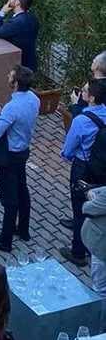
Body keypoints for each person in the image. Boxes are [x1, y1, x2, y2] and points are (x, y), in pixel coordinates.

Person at [0, 65, 40, 253]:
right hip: (23, 151)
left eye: (11, 76)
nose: (8, 76)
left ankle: (4, 240)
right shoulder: (34, 99)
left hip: (10, 155)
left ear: (15, 83)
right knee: (22, 189)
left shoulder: (11, 107)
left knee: (9, 199)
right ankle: (23, 229)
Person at [59, 75, 106, 266]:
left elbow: (67, 151)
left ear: (92, 98)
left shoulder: (80, 120)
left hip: (82, 167)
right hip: (101, 167)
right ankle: (92, 245)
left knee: (79, 211)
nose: (82, 93)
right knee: (96, 206)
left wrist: (67, 156)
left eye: (85, 91)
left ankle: (78, 251)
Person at [0, 0, 40, 73]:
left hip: (20, 66)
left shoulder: (17, 22)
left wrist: (2, 12)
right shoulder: (33, 18)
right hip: (30, 62)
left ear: (18, 2)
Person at [83, 183, 106, 297]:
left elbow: (87, 209)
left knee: (100, 289)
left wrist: (90, 195)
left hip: (102, 248)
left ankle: (99, 313)